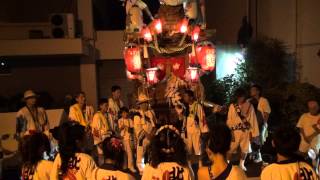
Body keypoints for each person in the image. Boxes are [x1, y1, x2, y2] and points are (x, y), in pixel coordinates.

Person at [226, 88, 259, 171]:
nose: (241, 99)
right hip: (235, 131)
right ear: (237, 97)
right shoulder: (232, 106)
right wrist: (231, 131)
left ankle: (241, 164)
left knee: (245, 148)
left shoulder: (249, 106)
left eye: (242, 97)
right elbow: (229, 120)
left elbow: (253, 119)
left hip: (246, 131)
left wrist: (253, 133)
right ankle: (227, 163)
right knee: (231, 148)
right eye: (239, 97)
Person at [183, 90, 208, 166]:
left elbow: (202, 119)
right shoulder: (186, 107)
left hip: (196, 131)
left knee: (198, 150)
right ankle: (189, 164)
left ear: (191, 97)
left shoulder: (198, 106)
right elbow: (184, 119)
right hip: (188, 132)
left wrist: (203, 132)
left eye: (186, 96)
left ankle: (200, 165)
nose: (184, 98)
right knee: (188, 150)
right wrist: (183, 130)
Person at [133, 93, 157, 174]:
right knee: (141, 157)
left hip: (151, 137)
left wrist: (152, 135)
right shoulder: (137, 115)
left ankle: (151, 170)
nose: (146, 104)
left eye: (146, 102)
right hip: (142, 139)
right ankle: (142, 172)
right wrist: (148, 135)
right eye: (143, 103)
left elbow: (154, 125)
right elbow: (138, 130)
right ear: (140, 104)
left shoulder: (151, 113)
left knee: (151, 155)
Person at [249, 84, 271, 162]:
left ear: (258, 91)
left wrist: (264, 124)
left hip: (260, 123)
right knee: (251, 140)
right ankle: (254, 155)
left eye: (253, 90)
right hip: (251, 124)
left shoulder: (263, 100)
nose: (251, 91)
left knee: (259, 140)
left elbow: (267, 112)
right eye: (251, 90)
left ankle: (258, 156)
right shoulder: (249, 101)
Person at [91, 98, 113, 165]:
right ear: (100, 106)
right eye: (105, 105)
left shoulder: (105, 115)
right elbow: (95, 130)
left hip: (106, 139)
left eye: (107, 105)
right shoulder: (97, 115)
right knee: (101, 157)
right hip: (101, 140)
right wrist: (99, 142)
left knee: (107, 158)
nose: (107, 107)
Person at [118, 107, 136, 172]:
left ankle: (131, 166)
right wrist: (122, 128)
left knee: (130, 153)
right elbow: (119, 129)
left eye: (125, 113)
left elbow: (132, 130)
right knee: (124, 153)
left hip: (128, 138)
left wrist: (126, 127)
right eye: (123, 113)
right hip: (122, 138)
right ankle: (125, 166)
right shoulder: (119, 120)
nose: (124, 114)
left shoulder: (130, 120)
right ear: (121, 114)